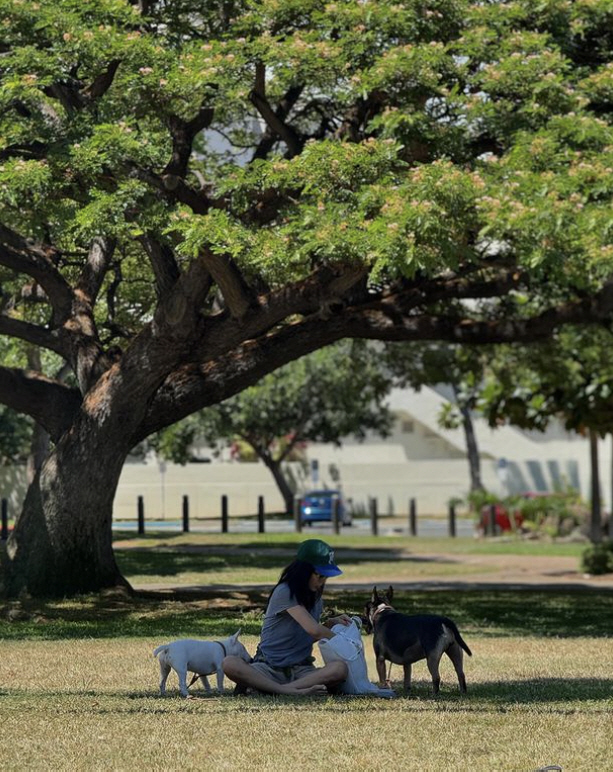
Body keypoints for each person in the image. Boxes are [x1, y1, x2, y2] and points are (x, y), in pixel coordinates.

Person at [223, 539, 351, 696]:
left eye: (326, 577)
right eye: (319, 576)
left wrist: (330, 624)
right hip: (268, 667)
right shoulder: (285, 591)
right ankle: (288, 690)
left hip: (301, 670)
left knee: (339, 669)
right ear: (303, 571)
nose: (322, 582)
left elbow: (305, 636)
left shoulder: (316, 597)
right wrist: (346, 642)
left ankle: (276, 689)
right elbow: (314, 630)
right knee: (229, 663)